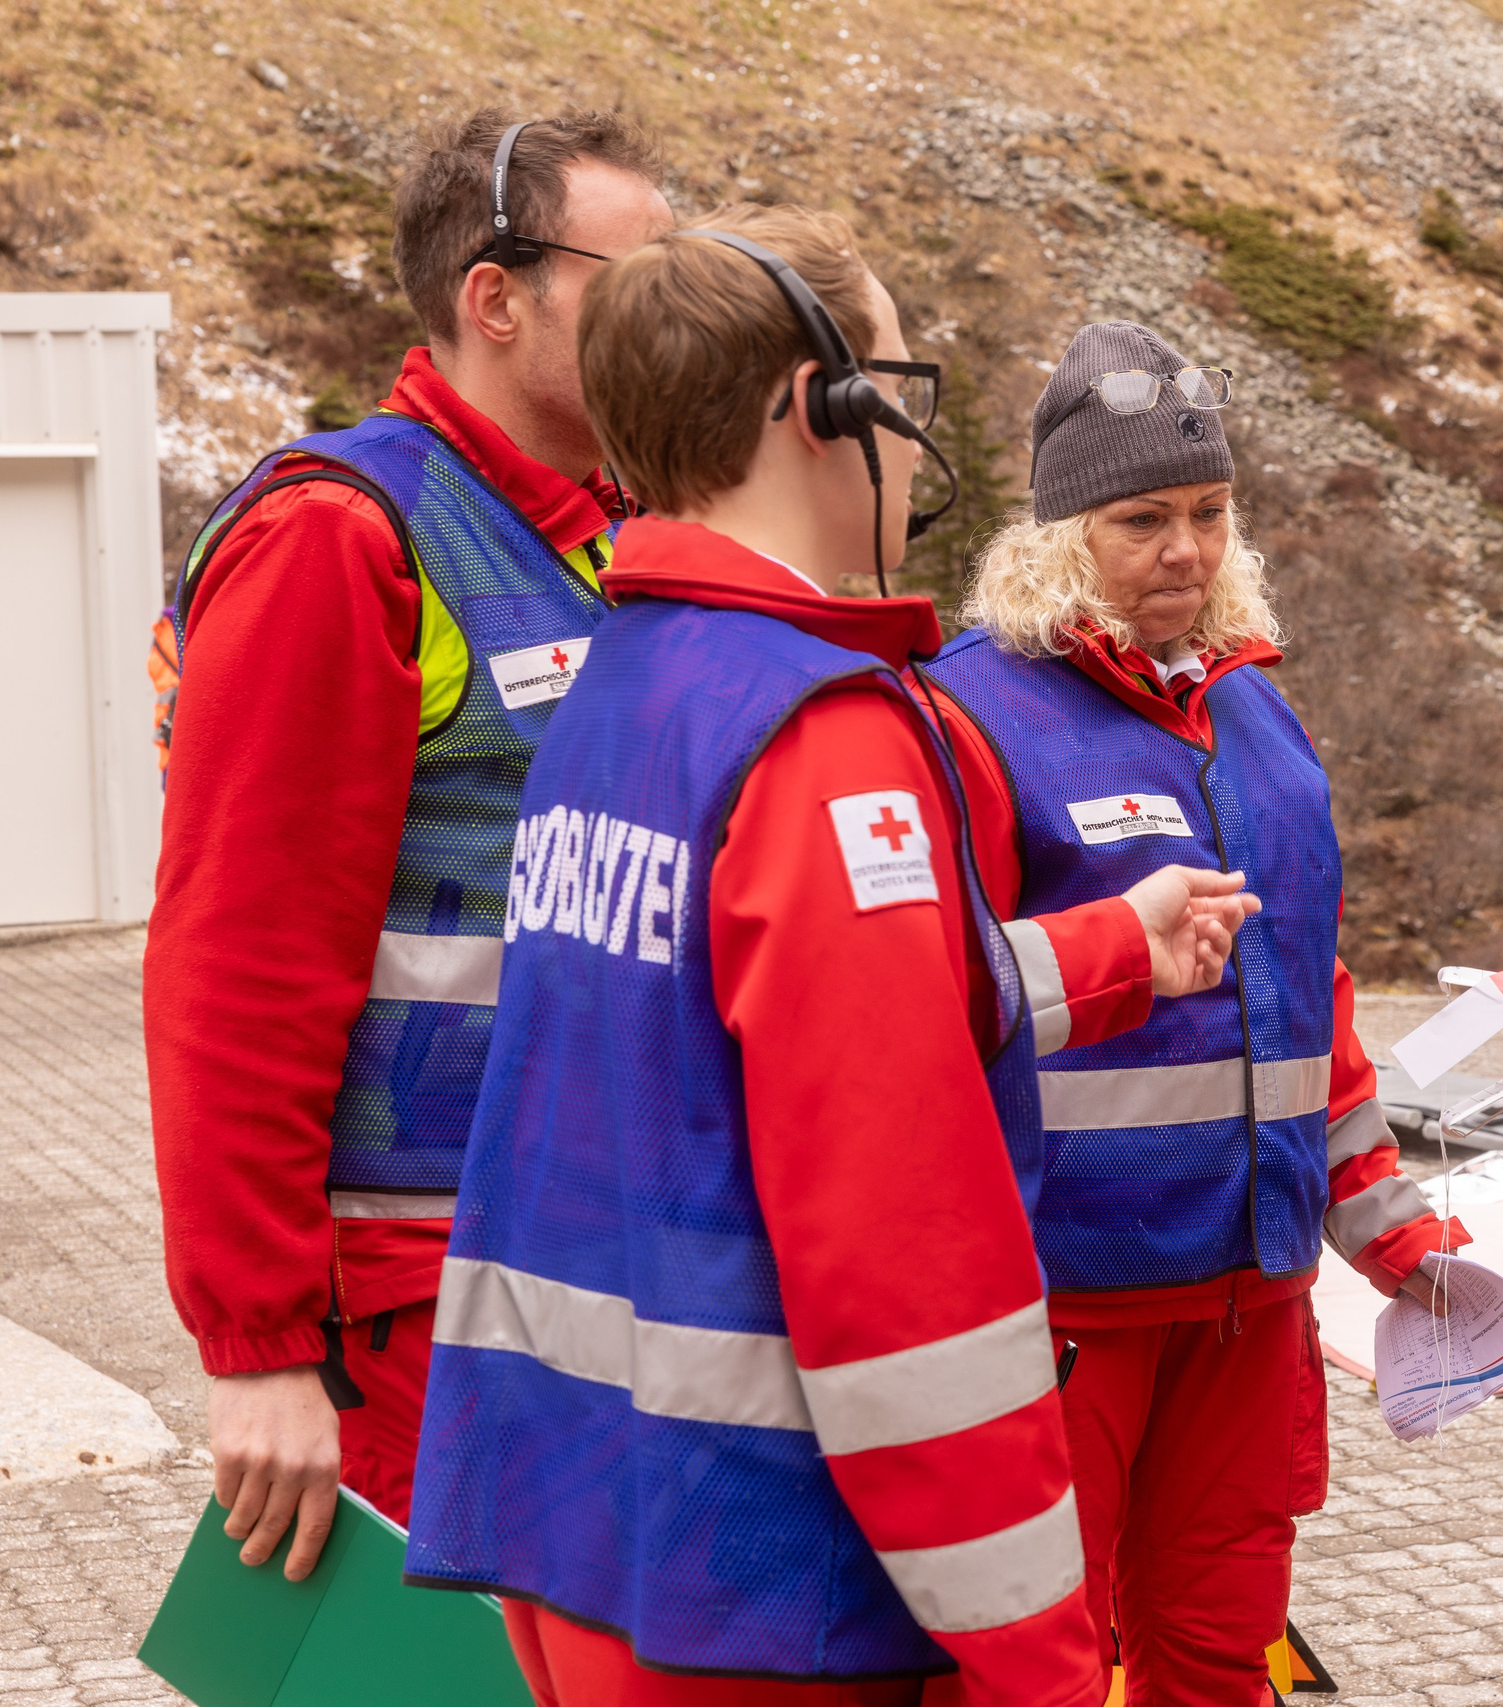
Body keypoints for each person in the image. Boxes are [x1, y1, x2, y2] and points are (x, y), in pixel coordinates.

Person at [402, 206, 1260, 1707]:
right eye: (894, 387)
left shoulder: (622, 686)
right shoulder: (824, 738)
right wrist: (1040, 1660)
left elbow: (736, 1046)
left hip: (578, 1527)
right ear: (824, 410)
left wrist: (1113, 949)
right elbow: (901, 1254)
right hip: (762, 1582)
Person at [144, 110, 674, 1578]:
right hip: (412, 1305)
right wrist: (255, 1347)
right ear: (496, 299)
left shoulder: (612, 538)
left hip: (581, 1260)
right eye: (634, 284)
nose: (672, 321)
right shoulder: (338, 539)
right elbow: (235, 965)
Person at [918, 322, 1466, 1705]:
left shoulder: (1258, 718)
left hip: (1250, 1302)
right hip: (1063, 1305)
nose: (1185, 550)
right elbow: (927, 997)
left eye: (1210, 514)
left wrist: (1394, 1234)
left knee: (1222, 1652)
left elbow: (1312, 1007)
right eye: (1142, 519)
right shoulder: (967, 716)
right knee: (1035, 1666)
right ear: (1057, 533)